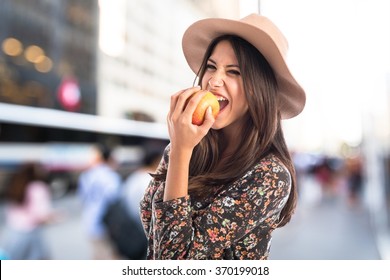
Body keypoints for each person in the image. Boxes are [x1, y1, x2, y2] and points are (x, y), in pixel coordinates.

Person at [140, 13, 306, 260]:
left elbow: (174, 263)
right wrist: (180, 149)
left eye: (234, 72)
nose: (214, 81)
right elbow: (151, 225)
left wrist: (180, 152)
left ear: (259, 89)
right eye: (211, 67)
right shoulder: (187, 146)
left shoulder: (271, 176)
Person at [1, 162, 57, 259]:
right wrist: (56, 216)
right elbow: (41, 215)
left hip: (13, 233)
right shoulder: (38, 187)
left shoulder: (16, 185)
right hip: (31, 234)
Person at [77, 144, 121, 259]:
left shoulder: (86, 175)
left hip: (90, 221)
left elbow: (83, 198)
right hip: (106, 225)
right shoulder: (110, 176)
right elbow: (115, 200)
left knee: (98, 255)